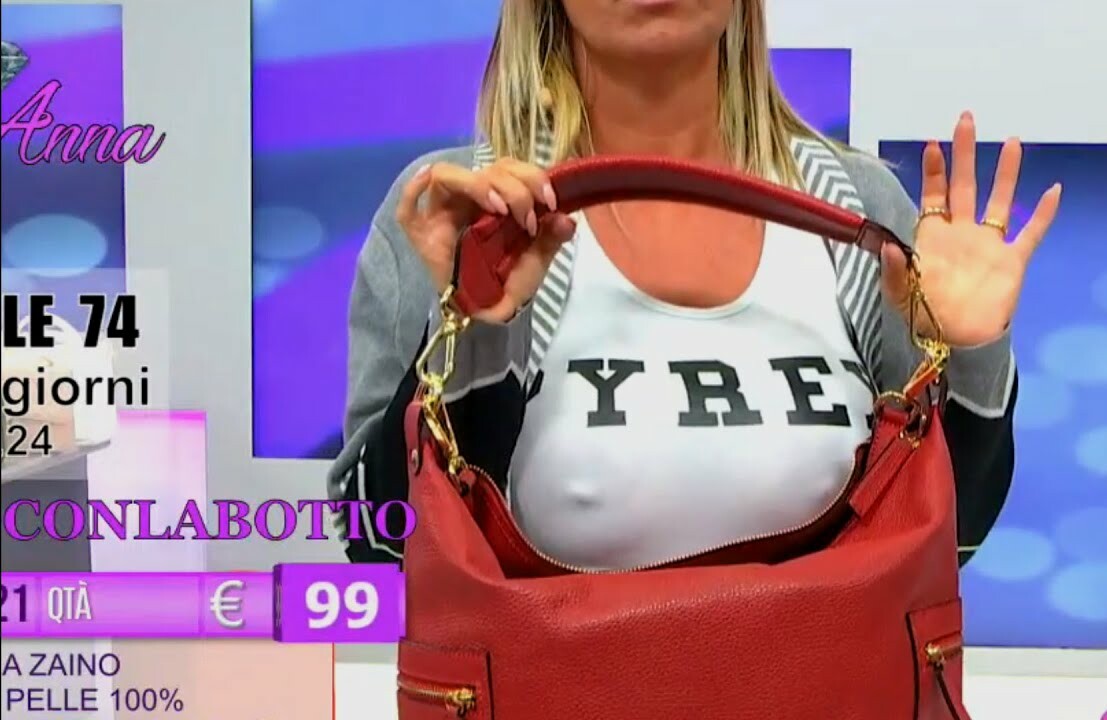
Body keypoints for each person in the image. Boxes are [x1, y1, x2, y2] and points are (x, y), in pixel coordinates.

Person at [329, 0, 1061, 570]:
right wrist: (475, 330)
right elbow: (377, 541)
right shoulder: (461, 212)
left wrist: (971, 357)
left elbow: (949, 542)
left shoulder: (859, 208)